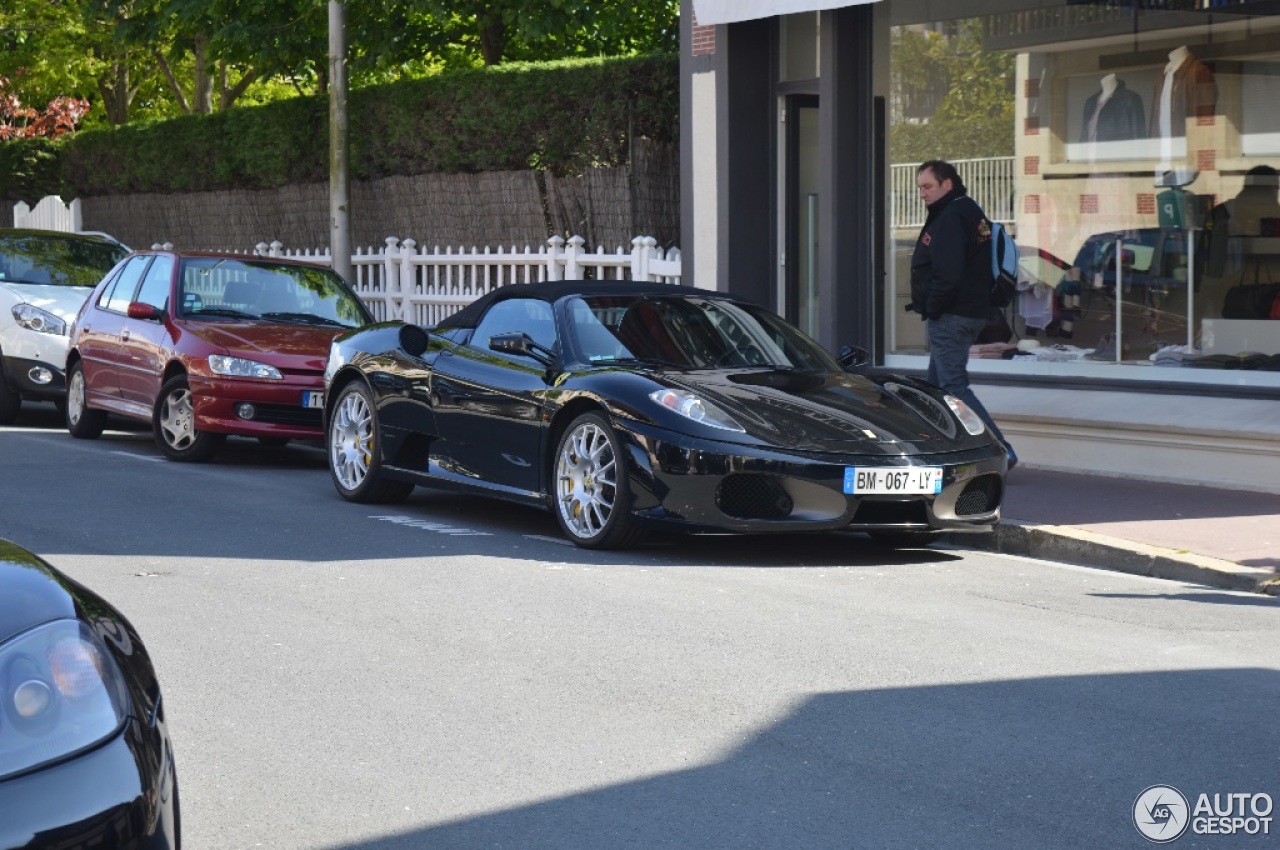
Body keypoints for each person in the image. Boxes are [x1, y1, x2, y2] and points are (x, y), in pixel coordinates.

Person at [908, 159, 1018, 470]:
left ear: (947, 184)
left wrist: (932, 307)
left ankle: (1000, 450)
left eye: (927, 186)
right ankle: (935, 455)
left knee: (953, 388)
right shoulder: (969, 210)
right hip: (968, 313)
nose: (922, 193)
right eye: (919, 187)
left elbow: (949, 273)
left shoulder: (952, 216)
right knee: (933, 389)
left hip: (952, 316)